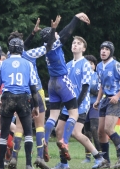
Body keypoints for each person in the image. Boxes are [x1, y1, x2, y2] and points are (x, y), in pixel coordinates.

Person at [8, 17, 60, 169]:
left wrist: (32, 34)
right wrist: (53, 30)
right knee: (39, 126)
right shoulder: (30, 54)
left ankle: (14, 158)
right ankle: (39, 157)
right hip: (36, 90)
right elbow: (48, 47)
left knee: (19, 126)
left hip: (19, 93)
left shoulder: (9, 58)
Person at [42, 12, 90, 161]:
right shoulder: (56, 45)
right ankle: (65, 141)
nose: (58, 34)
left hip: (52, 83)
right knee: (73, 114)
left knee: (52, 116)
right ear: (53, 37)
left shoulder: (45, 47)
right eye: (55, 33)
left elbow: (60, 35)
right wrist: (76, 18)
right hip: (62, 81)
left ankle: (43, 141)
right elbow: (66, 33)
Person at [52, 36, 105, 169]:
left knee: (76, 132)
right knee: (59, 129)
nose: (75, 45)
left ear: (83, 48)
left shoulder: (85, 64)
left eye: (79, 43)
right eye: (74, 43)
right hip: (68, 104)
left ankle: (99, 158)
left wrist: (76, 104)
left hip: (80, 104)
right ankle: (64, 163)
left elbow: (85, 87)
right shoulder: (68, 65)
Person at [0, 37, 39, 169]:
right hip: (23, 98)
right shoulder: (28, 64)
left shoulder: (2, 64)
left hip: (7, 98)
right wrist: (36, 106)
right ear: (21, 49)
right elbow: (33, 87)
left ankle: (1, 167)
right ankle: (29, 165)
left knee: (4, 133)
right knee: (28, 133)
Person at [93, 41, 120, 169]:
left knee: (109, 129)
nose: (103, 51)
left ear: (111, 52)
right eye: (102, 49)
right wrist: (98, 99)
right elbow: (101, 85)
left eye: (107, 49)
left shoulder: (116, 65)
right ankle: (106, 161)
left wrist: (117, 96)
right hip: (105, 100)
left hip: (117, 100)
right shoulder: (99, 66)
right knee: (100, 132)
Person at [81, 55, 101, 163]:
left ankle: (99, 153)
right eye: (87, 63)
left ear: (95, 65)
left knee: (94, 129)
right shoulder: (81, 76)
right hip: (84, 106)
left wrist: (88, 88)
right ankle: (88, 156)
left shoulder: (97, 76)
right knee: (86, 131)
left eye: (91, 63)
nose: (89, 65)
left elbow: (99, 91)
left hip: (95, 105)